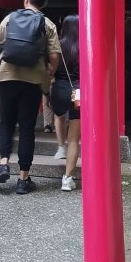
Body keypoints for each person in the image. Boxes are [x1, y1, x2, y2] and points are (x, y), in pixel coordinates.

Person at [0, 0, 61, 194]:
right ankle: (23, 179)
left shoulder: (10, 19)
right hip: (33, 80)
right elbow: (54, 55)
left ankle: (3, 164)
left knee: (6, 122)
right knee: (27, 128)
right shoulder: (47, 24)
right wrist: (50, 73)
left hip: (7, 76)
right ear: (43, 3)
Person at [50, 14, 81, 191]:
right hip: (79, 91)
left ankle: (61, 146)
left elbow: (51, 69)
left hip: (60, 88)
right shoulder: (85, 45)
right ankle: (67, 179)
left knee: (58, 115)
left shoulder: (58, 45)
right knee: (74, 140)